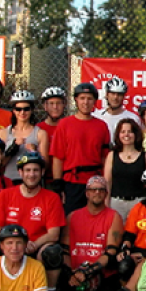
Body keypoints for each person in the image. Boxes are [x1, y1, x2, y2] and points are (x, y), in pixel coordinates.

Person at [0, 152, 66, 291]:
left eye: (36, 170)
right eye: (28, 170)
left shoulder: (52, 198)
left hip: (35, 248)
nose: (32, 174)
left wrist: (33, 244)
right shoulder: (5, 194)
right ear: (20, 172)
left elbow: (53, 234)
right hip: (10, 247)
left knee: (53, 252)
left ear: (42, 172)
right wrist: (15, 244)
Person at [58, 176, 123, 291]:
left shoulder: (114, 216)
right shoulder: (73, 216)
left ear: (106, 194)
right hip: (75, 275)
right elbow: (65, 251)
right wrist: (70, 274)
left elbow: (111, 251)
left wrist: (89, 272)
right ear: (87, 193)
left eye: (101, 190)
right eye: (93, 190)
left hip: (100, 275)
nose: (97, 193)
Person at [50, 82, 110, 215]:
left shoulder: (101, 126)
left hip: (95, 181)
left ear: (95, 101)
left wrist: (106, 182)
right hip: (72, 181)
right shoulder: (65, 124)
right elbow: (58, 157)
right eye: (82, 98)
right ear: (76, 100)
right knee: (72, 220)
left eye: (89, 99)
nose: (86, 102)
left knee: (96, 217)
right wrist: (58, 184)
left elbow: (105, 157)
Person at [104, 118, 146, 223]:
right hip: (116, 203)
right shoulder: (112, 156)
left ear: (136, 134)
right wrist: (106, 203)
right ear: (118, 135)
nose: (126, 135)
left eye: (130, 131)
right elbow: (107, 182)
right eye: (123, 132)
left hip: (139, 202)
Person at [0, 91, 49, 184]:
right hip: (10, 180)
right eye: (18, 109)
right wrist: (13, 148)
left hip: (32, 181)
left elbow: (45, 165)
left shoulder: (40, 133)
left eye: (26, 109)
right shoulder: (4, 133)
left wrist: (34, 152)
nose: (22, 112)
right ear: (13, 110)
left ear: (32, 110)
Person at [92, 76, 141, 143]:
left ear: (124, 96)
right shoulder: (96, 116)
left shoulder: (133, 119)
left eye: (119, 94)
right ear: (106, 94)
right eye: (112, 93)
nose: (115, 97)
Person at [39, 86, 67, 185]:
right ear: (45, 106)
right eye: (51, 103)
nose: (55, 107)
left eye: (58, 103)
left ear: (64, 105)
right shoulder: (38, 129)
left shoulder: (69, 127)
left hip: (66, 178)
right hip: (43, 178)